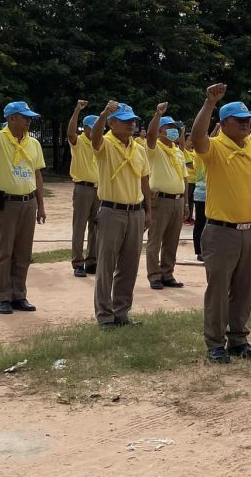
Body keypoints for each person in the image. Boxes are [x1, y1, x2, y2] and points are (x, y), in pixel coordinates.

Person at [191, 84, 251, 364]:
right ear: (224, 124)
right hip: (221, 232)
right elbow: (197, 136)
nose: (246, 125)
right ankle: (215, 343)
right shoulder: (215, 148)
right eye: (239, 121)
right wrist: (209, 103)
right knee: (218, 290)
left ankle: (238, 339)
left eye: (248, 120)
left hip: (250, 230)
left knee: (244, 288)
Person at [0, 82, 47, 315]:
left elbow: (37, 175)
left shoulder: (33, 143)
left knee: (23, 253)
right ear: (11, 118)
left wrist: (41, 205)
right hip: (6, 203)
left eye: (29, 117)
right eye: (24, 117)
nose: (28, 121)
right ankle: (3, 296)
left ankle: (19, 295)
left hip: (28, 202)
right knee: (4, 252)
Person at [90, 100, 152, 329]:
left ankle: (122, 312)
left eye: (133, 120)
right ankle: (105, 315)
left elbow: (144, 180)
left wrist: (148, 210)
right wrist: (103, 113)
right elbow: (95, 138)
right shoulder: (105, 144)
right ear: (112, 123)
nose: (131, 124)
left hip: (135, 212)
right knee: (106, 265)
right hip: (111, 211)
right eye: (125, 121)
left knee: (129, 266)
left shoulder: (139, 148)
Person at [144, 107, 187, 290]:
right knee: (155, 239)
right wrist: (158, 115)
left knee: (172, 240)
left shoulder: (178, 151)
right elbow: (150, 136)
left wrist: (186, 202)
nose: (174, 130)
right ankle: (154, 275)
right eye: (169, 127)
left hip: (178, 200)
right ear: (160, 130)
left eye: (175, 127)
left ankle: (167, 273)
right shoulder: (154, 149)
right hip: (160, 200)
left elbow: (184, 177)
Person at [67, 102, 100, 277]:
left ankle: (92, 261)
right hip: (83, 188)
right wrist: (77, 110)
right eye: (93, 128)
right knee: (79, 226)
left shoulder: (100, 143)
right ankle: (78, 262)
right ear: (85, 128)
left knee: (97, 227)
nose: (96, 131)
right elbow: (70, 133)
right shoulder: (78, 141)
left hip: (99, 189)